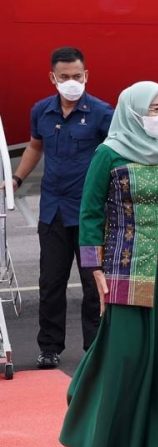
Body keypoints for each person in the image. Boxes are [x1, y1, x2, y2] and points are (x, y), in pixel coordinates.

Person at [59, 81, 158, 447]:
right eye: (154, 109)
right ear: (132, 111)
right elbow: (90, 213)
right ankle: (114, 435)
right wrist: (93, 267)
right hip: (126, 268)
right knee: (126, 354)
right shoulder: (108, 155)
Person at [6, 47, 113, 368]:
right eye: (64, 77)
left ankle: (96, 347)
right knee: (50, 282)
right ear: (53, 78)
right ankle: (49, 348)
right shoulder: (41, 111)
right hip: (53, 211)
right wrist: (16, 179)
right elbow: (35, 145)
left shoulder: (101, 112)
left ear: (86, 76)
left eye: (77, 76)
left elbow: (115, 154)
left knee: (94, 283)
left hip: (91, 214)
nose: (71, 82)